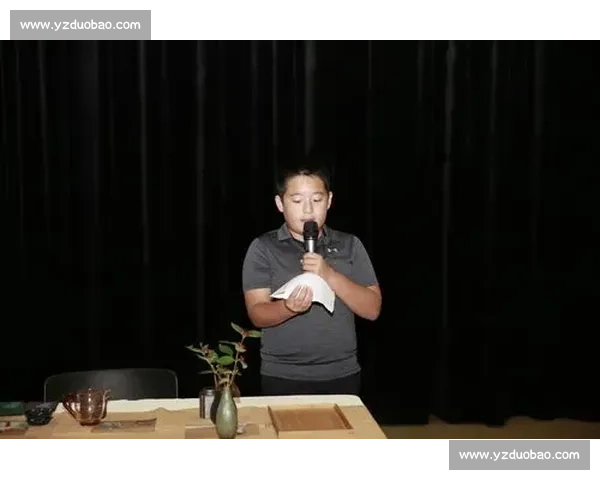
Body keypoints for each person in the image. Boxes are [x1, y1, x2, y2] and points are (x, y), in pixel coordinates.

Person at [241, 161, 382, 396]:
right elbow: (256, 313)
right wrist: (288, 308)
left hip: (342, 373)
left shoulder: (349, 244)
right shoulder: (263, 248)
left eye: (316, 200)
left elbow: (372, 309)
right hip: (283, 375)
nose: (308, 210)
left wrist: (328, 274)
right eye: (297, 201)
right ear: (280, 203)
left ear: (329, 200)